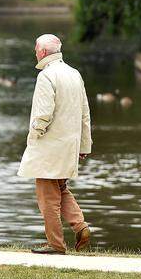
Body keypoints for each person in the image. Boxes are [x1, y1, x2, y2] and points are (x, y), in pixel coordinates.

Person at [18, 34, 92, 255]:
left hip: (49, 146)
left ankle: (56, 244)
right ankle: (80, 226)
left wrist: (33, 140)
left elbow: (42, 115)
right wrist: (84, 146)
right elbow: (84, 113)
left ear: (41, 52)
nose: (35, 52)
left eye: (35, 49)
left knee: (47, 197)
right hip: (69, 145)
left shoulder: (46, 76)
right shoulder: (74, 74)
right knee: (60, 189)